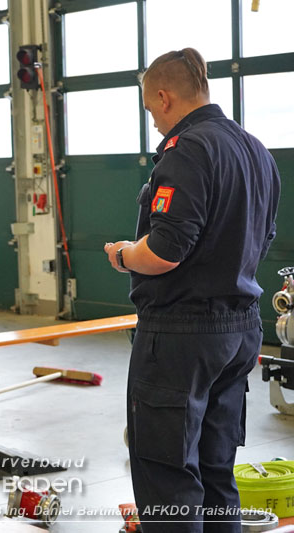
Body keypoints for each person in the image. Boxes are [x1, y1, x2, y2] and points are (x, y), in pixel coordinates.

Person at [103, 48, 280, 532]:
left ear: (163, 97)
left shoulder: (187, 150)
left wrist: (122, 253)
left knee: (168, 474)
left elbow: (166, 248)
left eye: (149, 110)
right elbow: (263, 238)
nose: (154, 123)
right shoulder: (255, 150)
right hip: (240, 329)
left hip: (182, 335)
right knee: (215, 466)